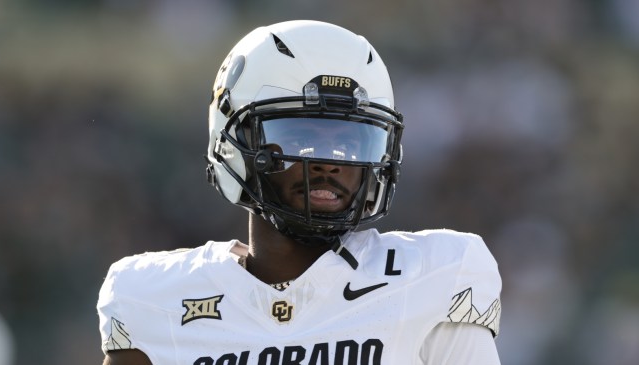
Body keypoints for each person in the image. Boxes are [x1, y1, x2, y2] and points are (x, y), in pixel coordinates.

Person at [97, 20, 502, 365]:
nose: (329, 163)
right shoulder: (151, 299)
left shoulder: (437, 276)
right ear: (233, 144)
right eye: (301, 137)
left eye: (352, 141)